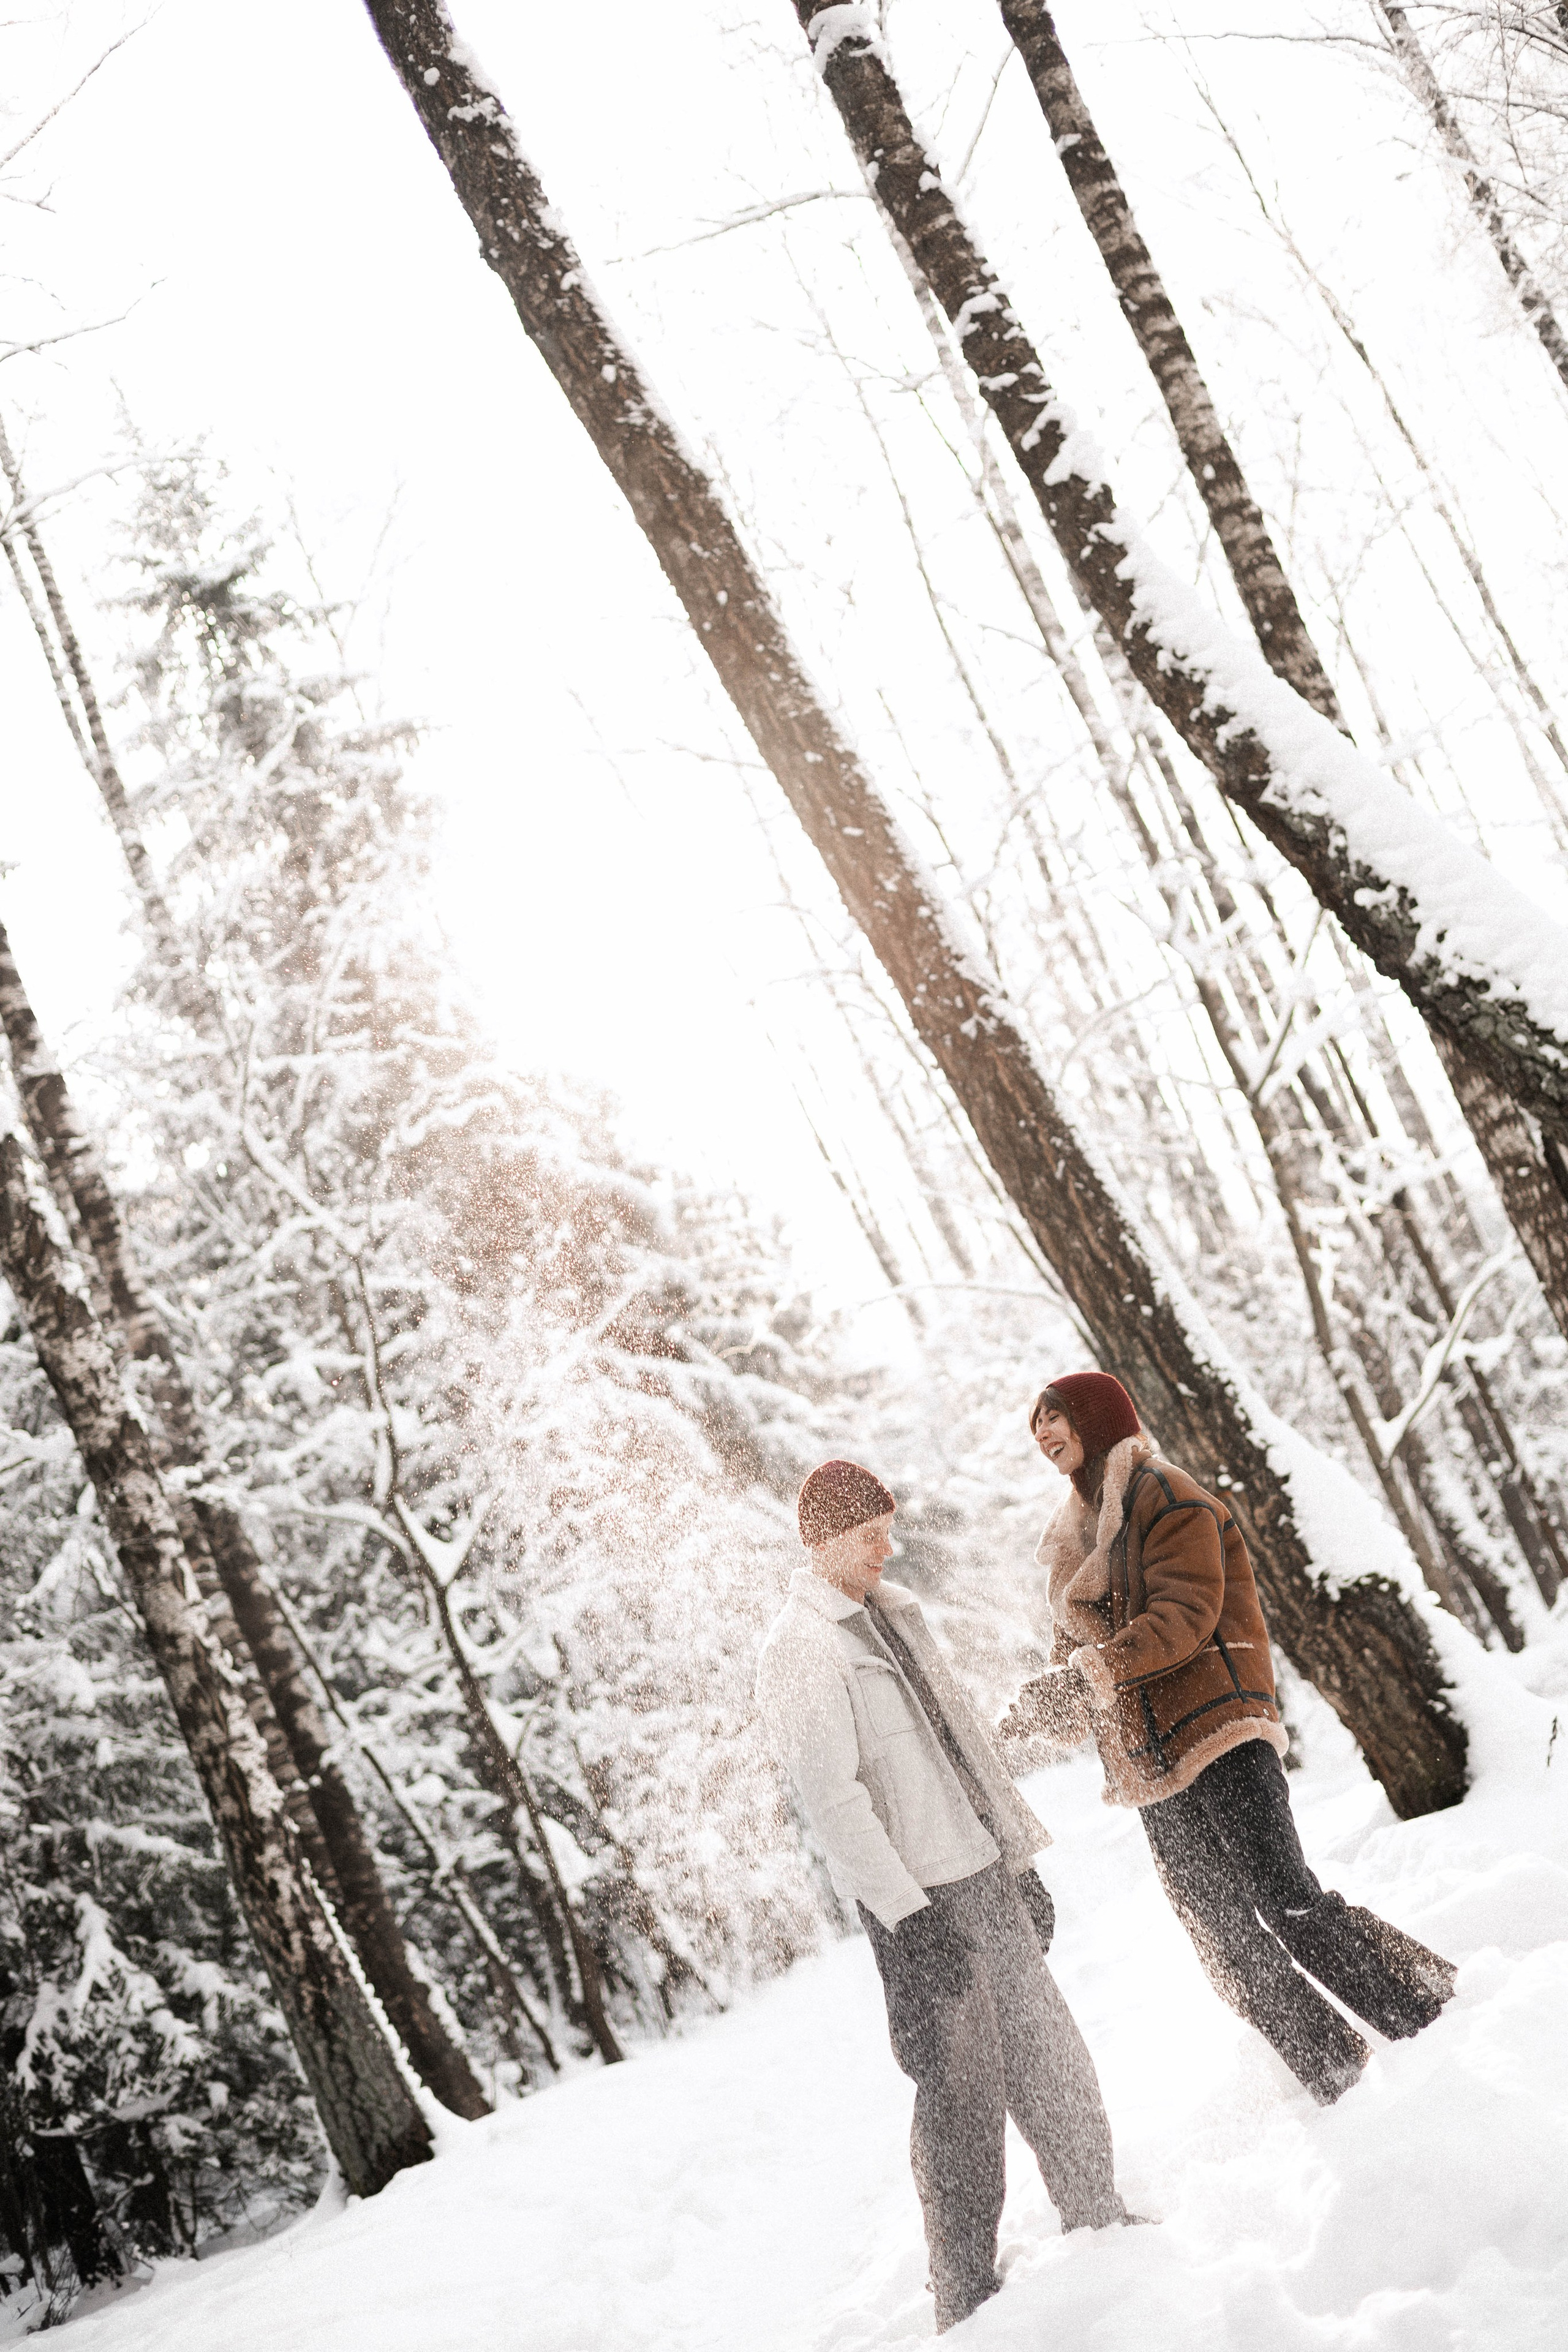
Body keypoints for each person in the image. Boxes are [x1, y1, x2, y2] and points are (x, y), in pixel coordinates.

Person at [1001, 1372, 1456, 2106]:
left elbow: (1182, 1615)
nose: (1044, 1434)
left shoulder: (1168, 1496)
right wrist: (1045, 1707)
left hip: (1219, 1735)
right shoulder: (1070, 1546)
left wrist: (1090, 1674)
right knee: (1224, 1945)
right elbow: (1083, 1670)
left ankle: (1426, 2015)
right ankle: (1337, 2079)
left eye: (1055, 1419)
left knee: (1286, 1902)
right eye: (1036, 1427)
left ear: (1097, 1419)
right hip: (1152, 1767)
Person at [755, 1458, 1132, 2334]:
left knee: (1052, 2057)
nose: (891, 1544)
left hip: (984, 1876)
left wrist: (1020, 1861)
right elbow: (835, 1802)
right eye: (870, 1533)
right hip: (920, 1904)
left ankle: (1101, 2218)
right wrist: (906, 1917)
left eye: (889, 1523)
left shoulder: (897, 1618)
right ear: (822, 1542)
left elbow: (965, 1750)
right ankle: (965, 2297)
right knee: (961, 2094)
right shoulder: (801, 1647)